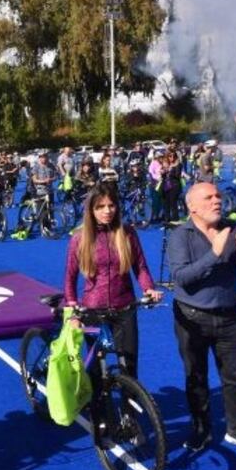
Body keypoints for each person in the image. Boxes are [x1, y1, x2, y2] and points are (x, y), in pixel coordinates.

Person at [167, 182, 236, 455]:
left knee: (234, 377)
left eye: (218, 196)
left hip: (228, 316)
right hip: (192, 318)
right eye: (208, 197)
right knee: (196, 377)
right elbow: (181, 278)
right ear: (192, 207)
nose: (217, 201)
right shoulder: (180, 235)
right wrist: (214, 253)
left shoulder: (231, 228)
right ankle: (201, 430)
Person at [64, 183, 162, 436]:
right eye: (100, 207)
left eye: (111, 205)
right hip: (92, 310)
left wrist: (148, 289)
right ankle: (100, 418)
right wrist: (73, 309)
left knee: (129, 365)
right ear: (91, 210)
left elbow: (140, 268)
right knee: (96, 371)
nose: (107, 211)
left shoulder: (127, 233)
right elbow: (70, 277)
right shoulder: (79, 238)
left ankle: (129, 417)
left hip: (124, 308)